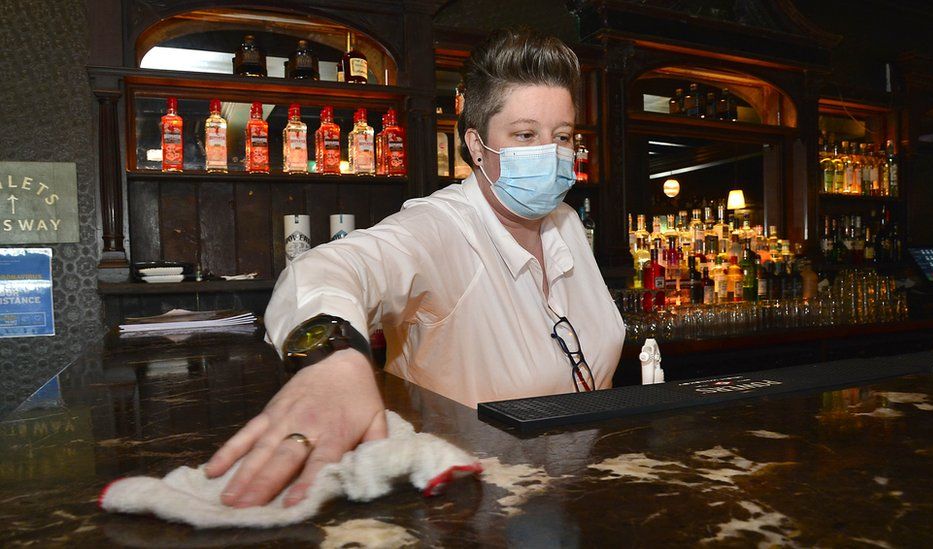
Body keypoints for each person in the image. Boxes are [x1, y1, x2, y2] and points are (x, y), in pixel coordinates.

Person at [205, 28, 625, 509]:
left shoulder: (567, 222)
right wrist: (331, 359)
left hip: (580, 493)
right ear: (477, 144)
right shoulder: (440, 227)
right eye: (525, 135)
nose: (550, 154)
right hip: (471, 508)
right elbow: (324, 269)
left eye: (563, 137)